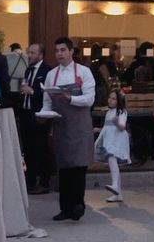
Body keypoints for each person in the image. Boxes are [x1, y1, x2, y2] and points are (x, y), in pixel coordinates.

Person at [40, 37, 95, 222]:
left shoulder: (84, 72)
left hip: (80, 126)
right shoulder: (51, 74)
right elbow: (47, 101)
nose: (59, 54)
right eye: (57, 51)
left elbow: (89, 99)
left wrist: (69, 98)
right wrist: (43, 115)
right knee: (63, 169)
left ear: (71, 51)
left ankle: (78, 205)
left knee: (79, 167)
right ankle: (64, 209)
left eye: (63, 50)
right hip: (61, 126)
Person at [19, 42, 52, 195]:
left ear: (41, 55)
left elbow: (48, 93)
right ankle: (30, 181)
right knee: (28, 149)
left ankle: (44, 182)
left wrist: (32, 92)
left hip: (39, 116)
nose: (29, 55)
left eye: (33, 53)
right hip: (27, 114)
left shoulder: (47, 71)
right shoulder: (28, 70)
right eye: (29, 52)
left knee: (41, 148)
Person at [95, 89, 131, 202]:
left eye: (114, 99)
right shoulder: (108, 112)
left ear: (119, 101)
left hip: (117, 140)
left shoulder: (122, 112)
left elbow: (122, 126)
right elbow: (107, 127)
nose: (110, 100)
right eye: (110, 98)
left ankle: (115, 185)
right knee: (112, 161)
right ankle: (118, 193)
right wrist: (98, 130)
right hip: (109, 140)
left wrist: (117, 122)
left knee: (112, 158)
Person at [6, 42, 28, 107]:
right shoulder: (27, 56)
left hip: (12, 83)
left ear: (12, 49)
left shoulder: (8, 56)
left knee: (13, 103)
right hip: (24, 82)